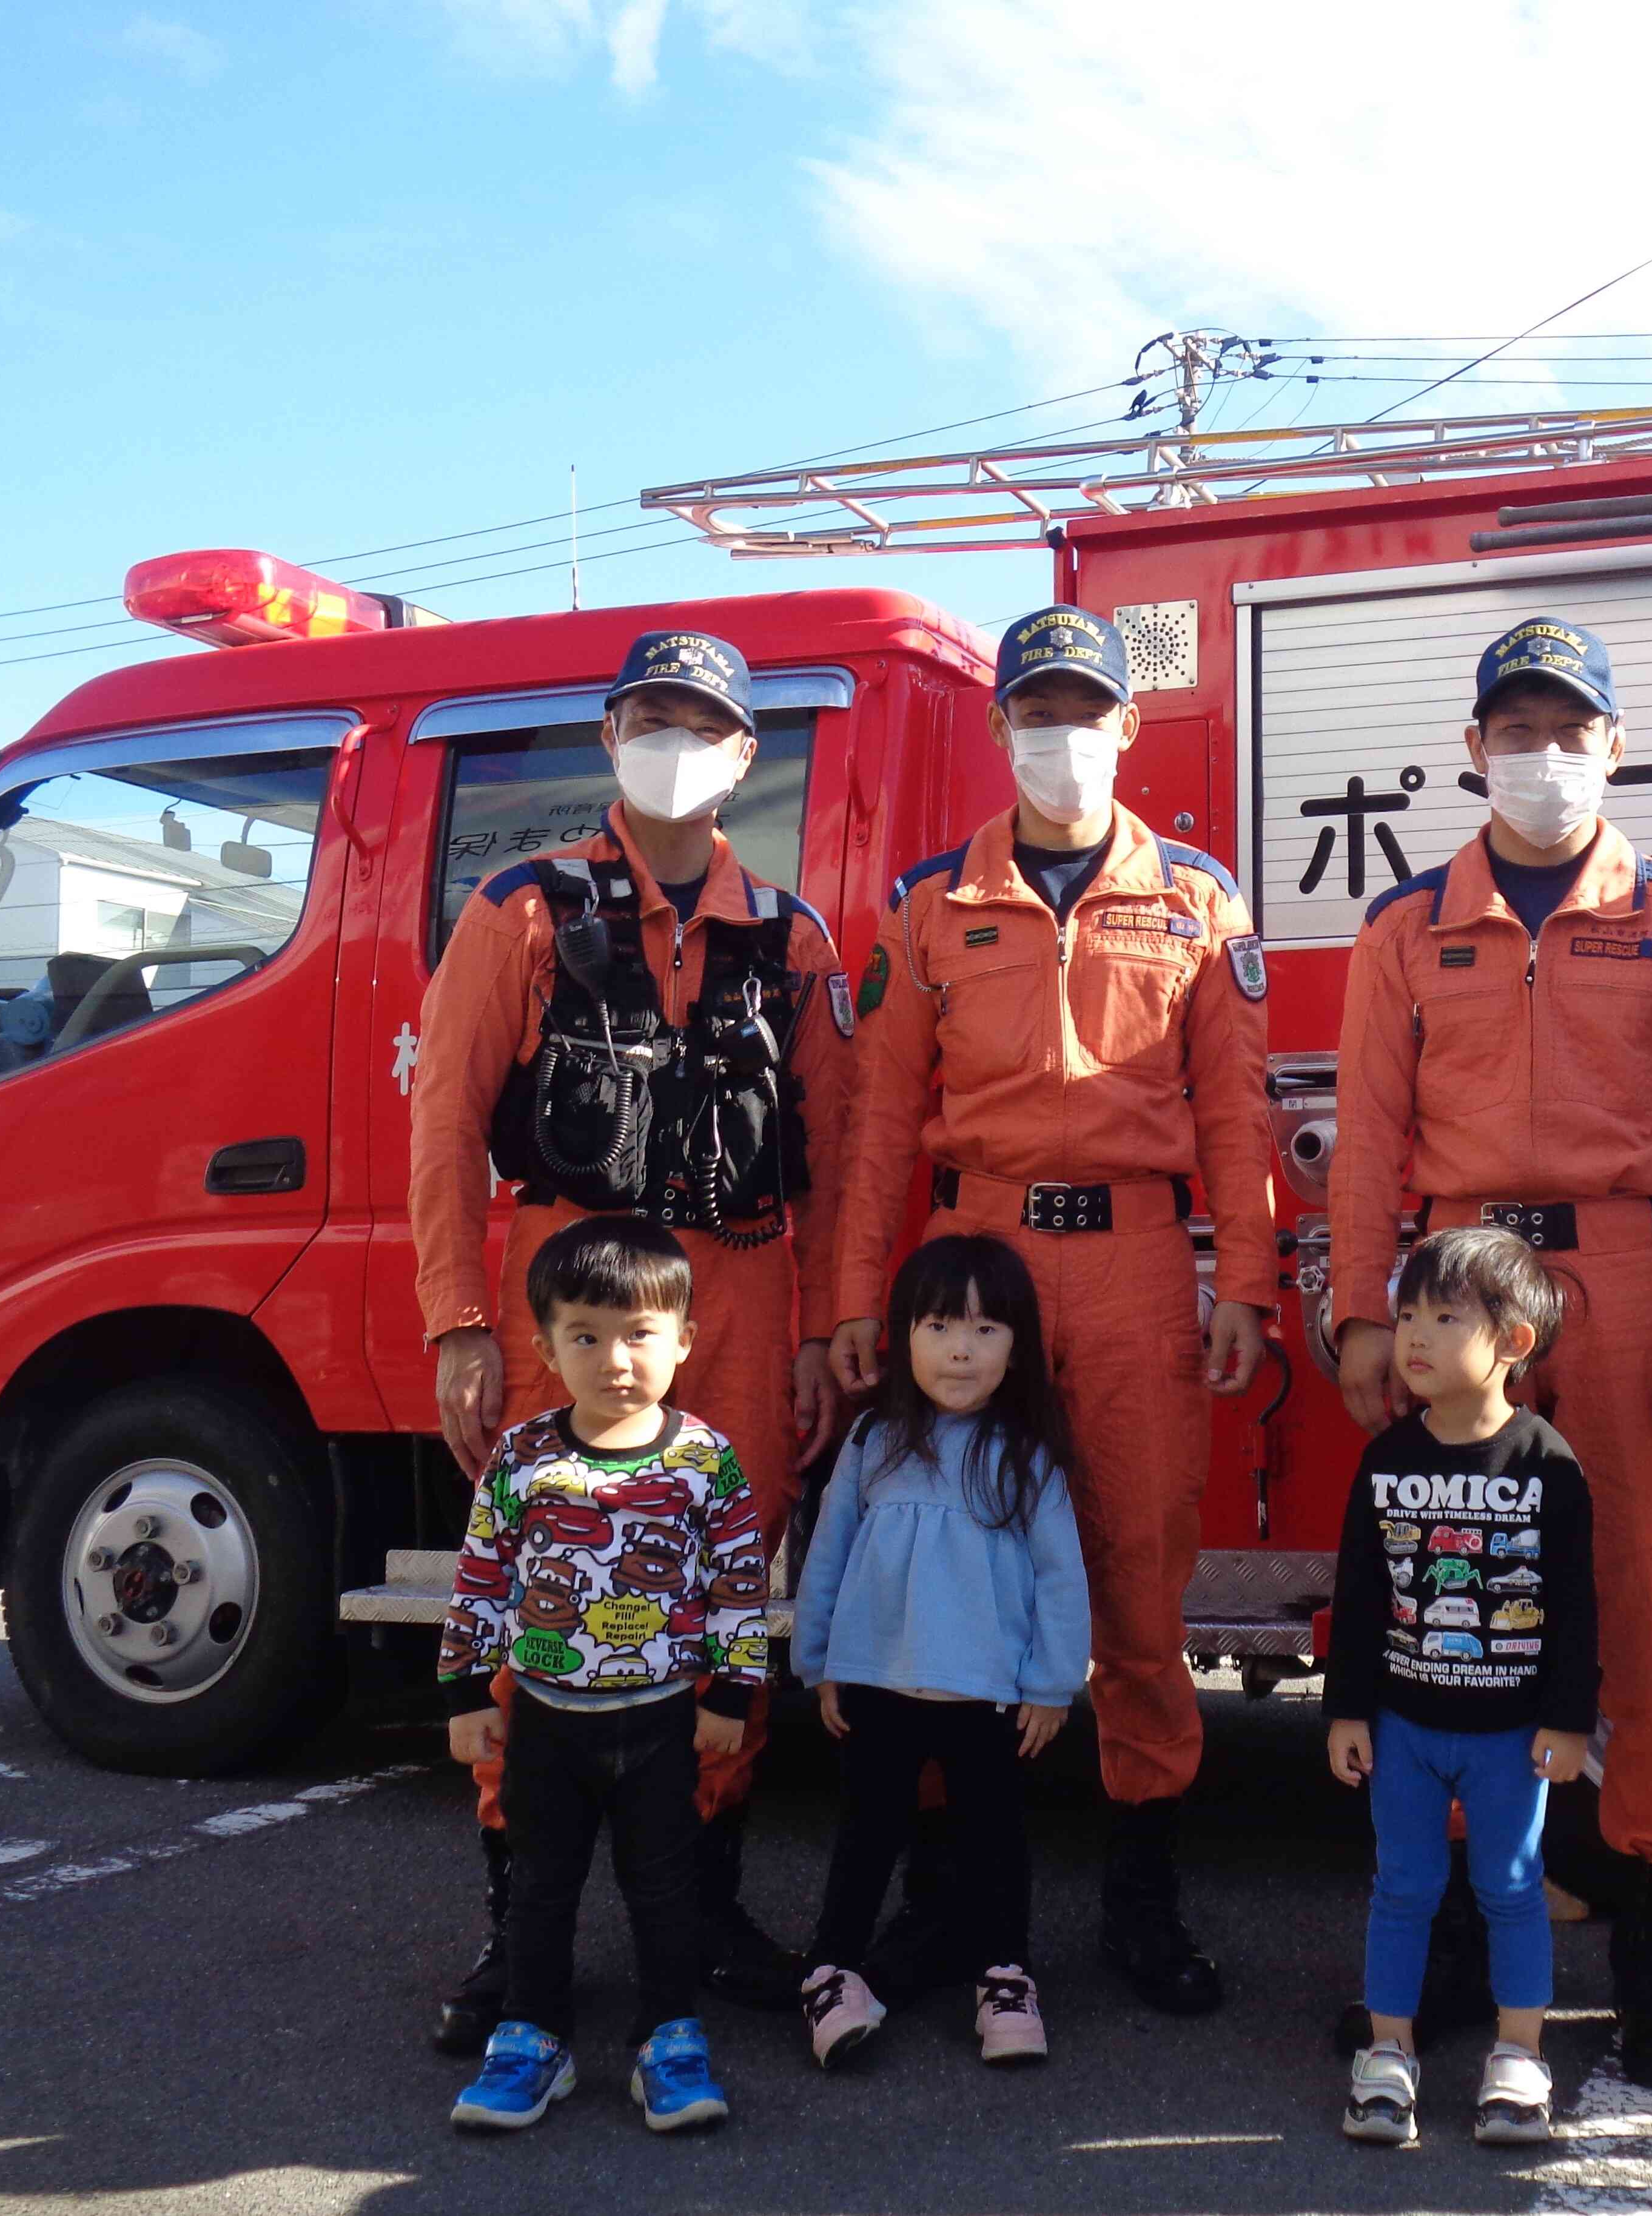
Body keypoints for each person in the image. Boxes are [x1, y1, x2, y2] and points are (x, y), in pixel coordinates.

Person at [1328, 615, 1652, 2090]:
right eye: (1515, 732)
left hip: (1628, 1277)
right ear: (1472, 754)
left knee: (1649, 1616)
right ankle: (1444, 1932)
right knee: (1447, 1610)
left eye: (1569, 732)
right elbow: (1368, 1142)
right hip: (1458, 1284)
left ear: (1614, 751)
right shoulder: (1405, 930)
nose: (1542, 757)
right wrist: (1364, 1315)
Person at [830, 604, 1275, 2016]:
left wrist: (1247, 1286)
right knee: (949, 1579)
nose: (1061, 733)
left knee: (1139, 1584)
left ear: (1128, 729)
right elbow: (881, 1122)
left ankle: (1141, 1899)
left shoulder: (1198, 898)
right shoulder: (932, 904)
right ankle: (946, 1905)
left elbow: (1238, 1114)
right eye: (1037, 709)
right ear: (1000, 726)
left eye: (1086, 709)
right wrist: (857, 1302)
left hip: (1141, 1268)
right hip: (980, 1269)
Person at [412, 627, 851, 2044]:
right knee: (547, 1592)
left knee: (725, 1593)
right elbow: (445, 1129)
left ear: (741, 756)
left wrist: (823, 1330)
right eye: (649, 715)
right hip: (570, 1289)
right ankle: (515, 1921)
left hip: (739, 1292)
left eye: (702, 722)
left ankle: (701, 1900)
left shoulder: (791, 935)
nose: (675, 740)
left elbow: (836, 1156)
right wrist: (460, 1322)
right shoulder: (522, 911)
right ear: (611, 737)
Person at [436, 1216, 761, 2135]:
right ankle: (534, 2035)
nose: (615, 1359)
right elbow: (482, 1576)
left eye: (640, 1334)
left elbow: (740, 1582)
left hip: (662, 1722)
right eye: (585, 1335)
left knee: (666, 1885)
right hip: (547, 1722)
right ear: (543, 1345)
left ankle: (669, 2034)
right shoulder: (524, 1458)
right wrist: (465, 1692)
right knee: (541, 1883)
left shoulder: (706, 1461)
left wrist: (731, 1693)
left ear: (684, 1340)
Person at [793, 1234, 1093, 2072]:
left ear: (1018, 1346)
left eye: (987, 1328)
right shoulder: (872, 1441)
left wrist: (1052, 1684)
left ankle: (1005, 1978)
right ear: (903, 1335)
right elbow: (830, 1550)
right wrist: (818, 1663)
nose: (961, 1347)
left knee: (995, 1839)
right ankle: (830, 1970)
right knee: (867, 1832)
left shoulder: (1027, 1455)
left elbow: (1060, 1577)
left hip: (987, 1693)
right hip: (876, 1684)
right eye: (937, 1325)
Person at [1325, 1228, 1597, 2150]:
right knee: (1401, 1885)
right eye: (1409, 1315)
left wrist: (1569, 1719)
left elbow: (1573, 1605)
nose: (1415, 1336)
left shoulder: (1548, 1462)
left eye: (1447, 1317)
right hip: (1403, 1724)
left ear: (1514, 1342)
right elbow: (1360, 1595)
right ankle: (1388, 2054)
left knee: (1512, 1887)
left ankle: (1519, 2057)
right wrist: (1346, 1708)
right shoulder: (1387, 1460)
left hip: (1510, 1734)